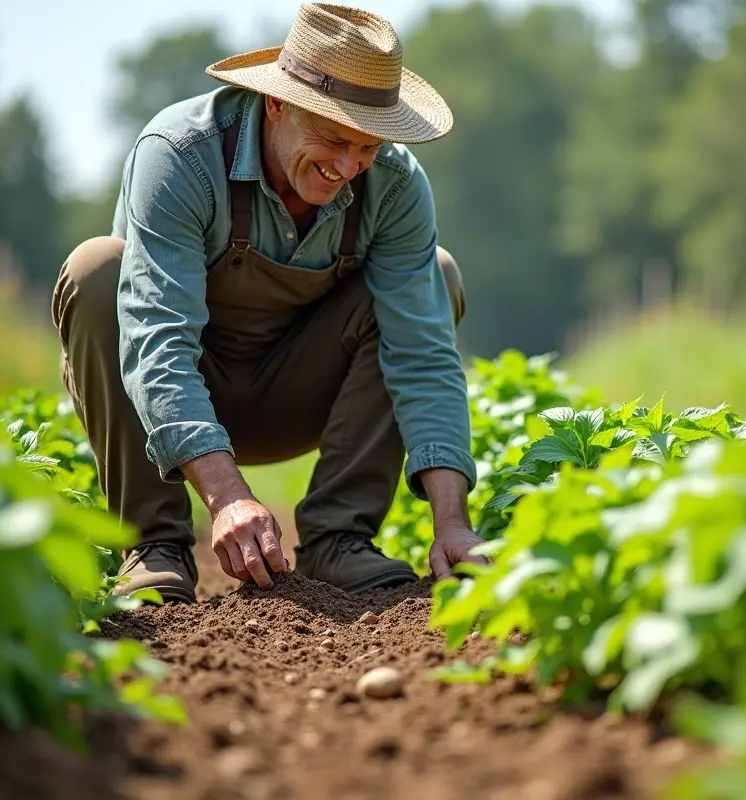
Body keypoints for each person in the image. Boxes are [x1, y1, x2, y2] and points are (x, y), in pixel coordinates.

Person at [51, 2, 488, 604]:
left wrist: (452, 524)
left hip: (299, 396)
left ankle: (340, 537)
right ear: (277, 103)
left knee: (438, 273)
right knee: (96, 269)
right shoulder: (181, 155)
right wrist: (228, 495)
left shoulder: (395, 184)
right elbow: (158, 336)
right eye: (335, 139)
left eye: (367, 147)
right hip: (176, 394)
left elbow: (425, 358)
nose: (347, 167)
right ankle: (154, 543)